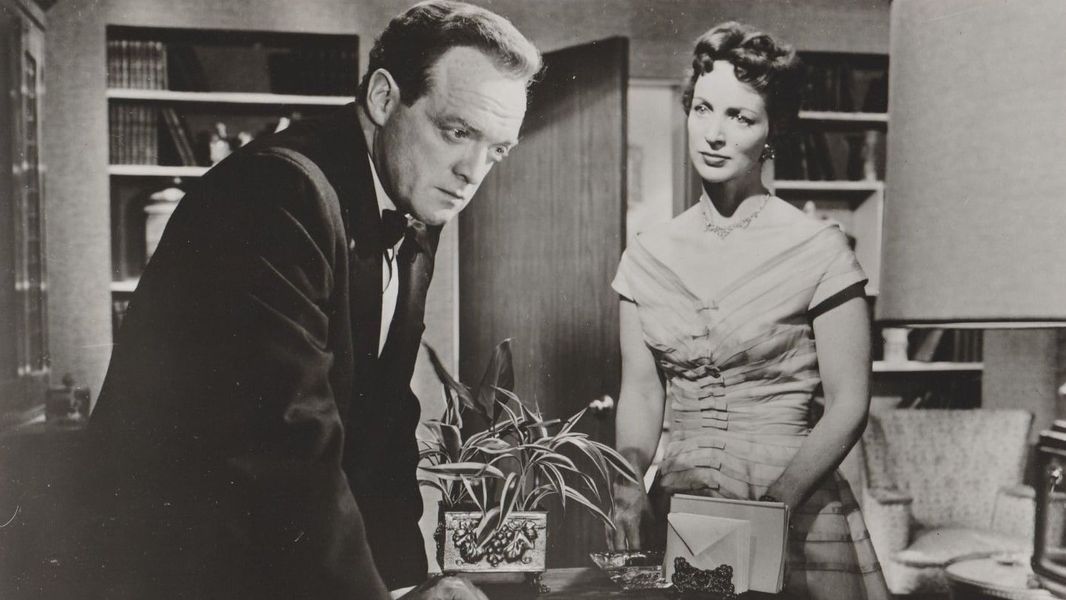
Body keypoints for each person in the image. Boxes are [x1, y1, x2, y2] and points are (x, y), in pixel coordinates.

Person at [83, 2, 540, 598]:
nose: (472, 171)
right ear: (384, 98)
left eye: (497, 150)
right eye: (457, 132)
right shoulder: (278, 191)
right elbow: (290, 442)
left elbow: (382, 424)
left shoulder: (411, 203)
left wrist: (409, 586)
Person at [608, 22, 890, 599]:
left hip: (795, 506)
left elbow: (849, 404)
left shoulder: (819, 249)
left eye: (740, 117)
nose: (714, 133)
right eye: (703, 109)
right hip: (683, 508)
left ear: (772, 130)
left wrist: (774, 510)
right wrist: (628, 482)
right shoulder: (646, 255)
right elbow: (641, 392)